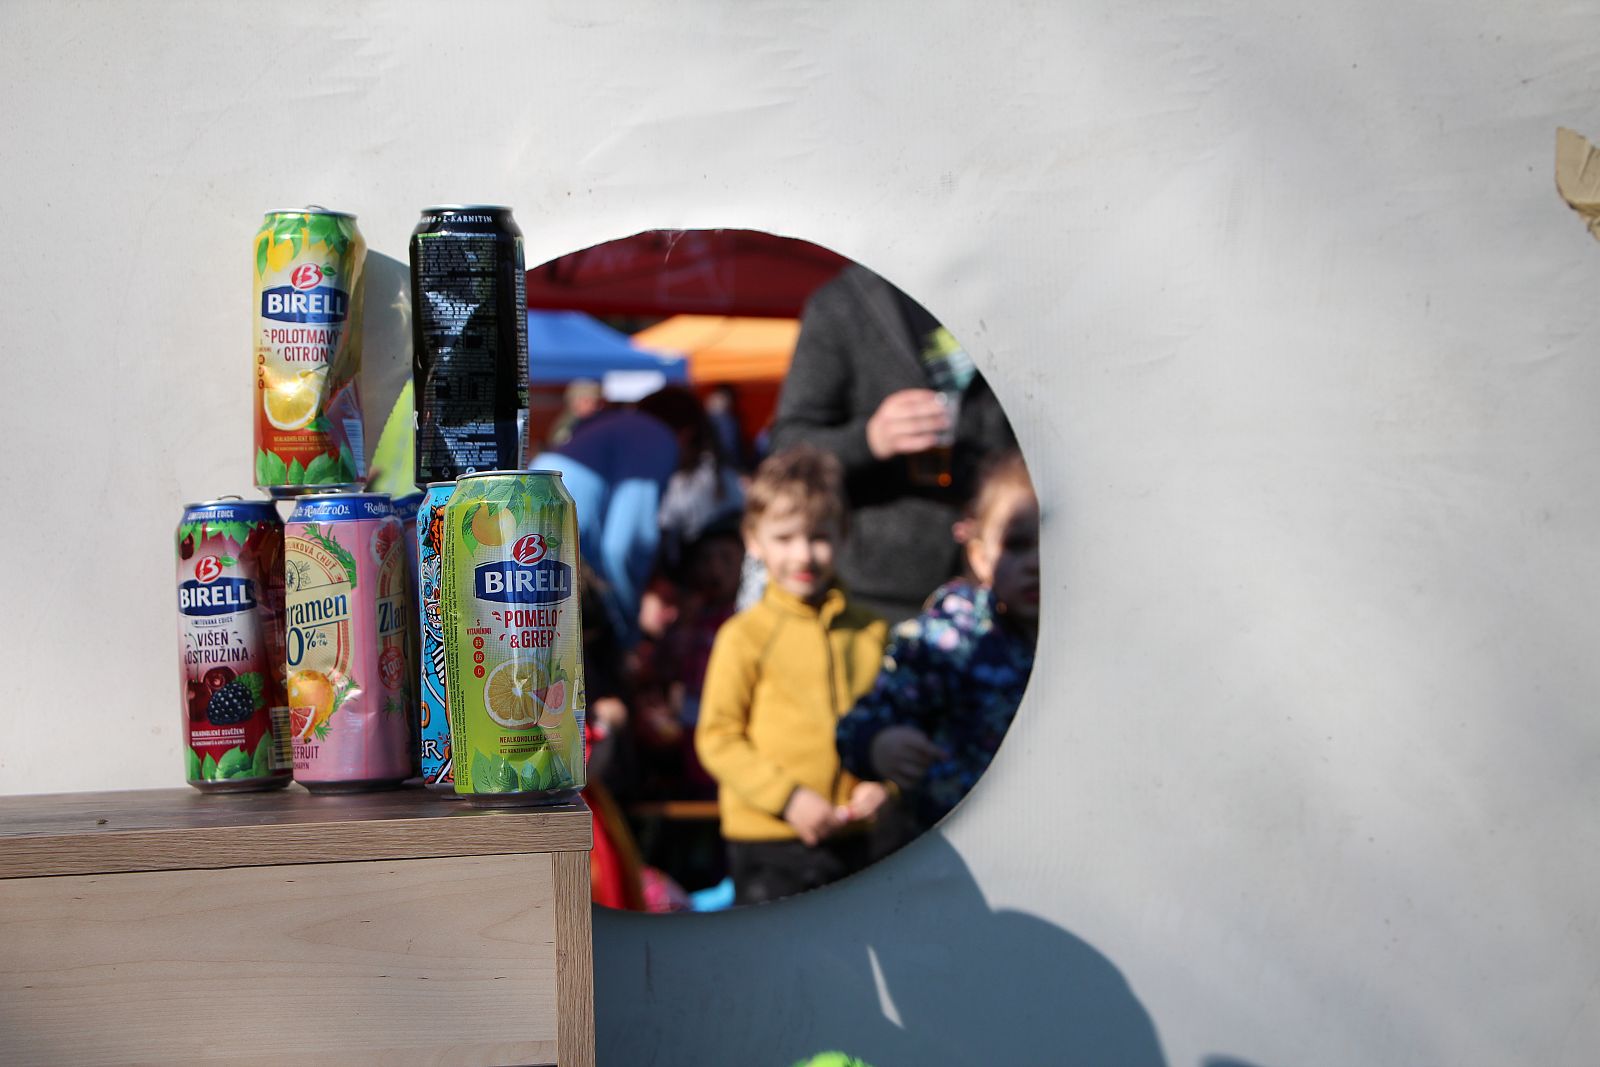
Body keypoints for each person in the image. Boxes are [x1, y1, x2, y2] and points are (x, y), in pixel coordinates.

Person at [694, 445, 893, 905]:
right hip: (770, 843)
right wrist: (788, 799)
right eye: (784, 538)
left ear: (844, 535)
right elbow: (718, 738)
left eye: (819, 536)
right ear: (754, 540)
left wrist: (885, 786)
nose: (803, 555)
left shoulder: (872, 632)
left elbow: (894, 723)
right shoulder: (743, 637)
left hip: (859, 838)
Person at [769, 264, 1017, 623]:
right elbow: (787, 448)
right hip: (878, 595)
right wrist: (871, 439)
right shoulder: (841, 303)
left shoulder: (1004, 297)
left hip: (995, 579)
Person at [836, 450, 1039, 834]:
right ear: (980, 556)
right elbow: (859, 722)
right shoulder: (951, 637)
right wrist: (879, 744)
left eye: (1052, 543)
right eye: (1017, 544)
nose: (1037, 562)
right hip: (959, 838)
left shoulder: (1093, 639)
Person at [530, 398, 679, 647]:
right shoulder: (658, 436)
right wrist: (628, 630)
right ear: (687, 434)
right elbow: (623, 547)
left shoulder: (617, 425)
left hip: (531, 521)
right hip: (558, 545)